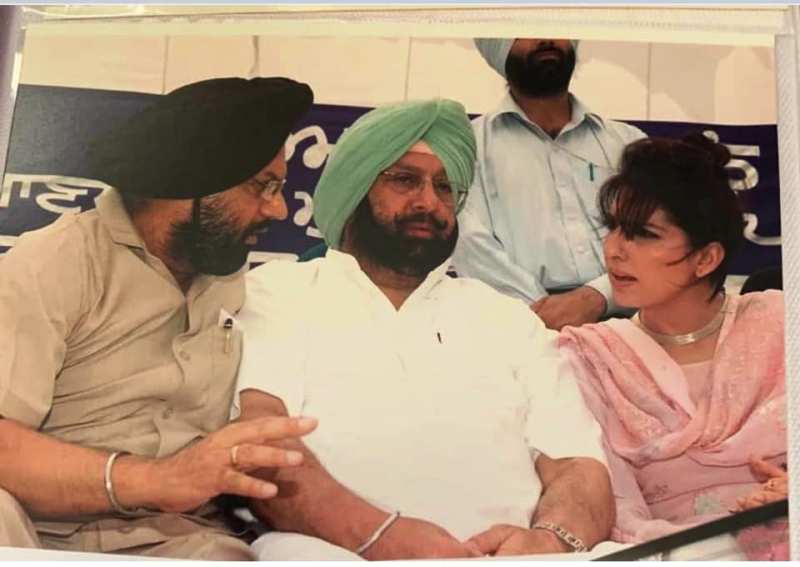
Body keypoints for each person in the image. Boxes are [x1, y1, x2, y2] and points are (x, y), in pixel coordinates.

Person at [234, 98, 615, 560]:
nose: (429, 202)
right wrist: (381, 538)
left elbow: (580, 466)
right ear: (354, 188)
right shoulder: (277, 293)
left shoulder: (508, 319)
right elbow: (260, 438)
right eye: (404, 180)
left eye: (446, 187)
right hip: (336, 552)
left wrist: (550, 540)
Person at [0, 77, 319, 559]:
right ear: (192, 182)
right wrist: (157, 479)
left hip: (187, 540)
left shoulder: (228, 276)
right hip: (44, 538)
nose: (277, 208)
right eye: (263, 186)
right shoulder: (55, 262)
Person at [558, 134, 787, 557]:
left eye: (643, 234)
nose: (615, 250)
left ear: (706, 258)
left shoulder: (779, 324)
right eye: (613, 228)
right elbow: (610, 500)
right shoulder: (591, 356)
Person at [452, 38, 646, 331]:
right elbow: (472, 245)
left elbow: (658, 236)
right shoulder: (469, 147)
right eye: (526, 31)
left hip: (632, 321)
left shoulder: (628, 142)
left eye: (556, 26)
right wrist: (543, 316)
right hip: (515, 326)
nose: (546, 38)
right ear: (499, 48)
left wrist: (598, 296)